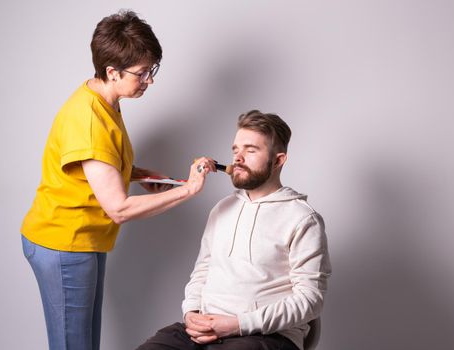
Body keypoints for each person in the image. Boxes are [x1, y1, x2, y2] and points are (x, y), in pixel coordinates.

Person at [20, 10, 216, 350]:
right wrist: (188, 190)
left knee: (84, 344)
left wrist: (137, 173)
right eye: (142, 73)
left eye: (152, 70)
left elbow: (97, 163)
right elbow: (119, 208)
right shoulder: (89, 119)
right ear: (112, 72)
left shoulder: (103, 99)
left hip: (84, 240)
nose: (149, 80)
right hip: (64, 243)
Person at [136, 110, 332, 350]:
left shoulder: (303, 218)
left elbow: (310, 301)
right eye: (235, 150)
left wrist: (237, 324)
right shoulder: (222, 209)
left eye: (250, 150)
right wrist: (191, 313)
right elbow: (202, 272)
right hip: (203, 330)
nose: (238, 158)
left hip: (265, 336)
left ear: (278, 160)